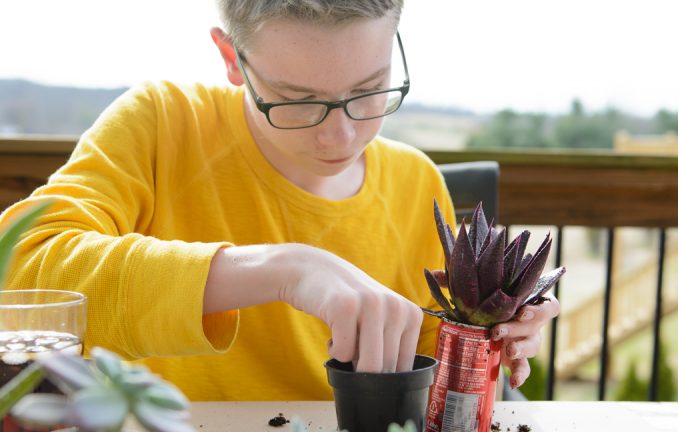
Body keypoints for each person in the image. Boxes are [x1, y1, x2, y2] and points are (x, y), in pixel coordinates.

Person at [0, 0, 559, 401]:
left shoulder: (417, 183)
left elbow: (434, 393)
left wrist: (492, 343)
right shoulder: (161, 125)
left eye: (370, 89)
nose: (340, 136)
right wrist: (286, 268)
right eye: (297, 101)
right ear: (231, 59)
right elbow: (20, 271)